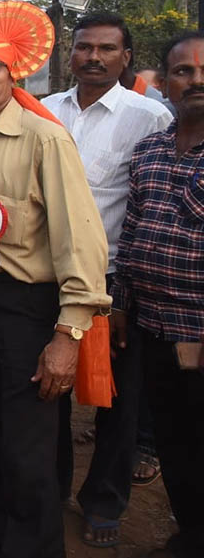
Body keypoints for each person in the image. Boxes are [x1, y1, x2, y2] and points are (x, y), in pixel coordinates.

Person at [0, 5, 110, 558]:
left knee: (27, 455)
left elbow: (79, 241)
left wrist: (67, 335)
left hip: (26, 313)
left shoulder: (44, 139)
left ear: (12, 71)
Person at [41, 12, 172, 548]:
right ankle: (50, 492)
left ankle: (104, 500)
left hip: (115, 281)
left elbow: (151, 201)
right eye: (83, 47)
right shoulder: (43, 112)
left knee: (117, 399)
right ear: (68, 55)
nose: (93, 57)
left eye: (106, 49)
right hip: (46, 276)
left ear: (126, 57)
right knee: (47, 390)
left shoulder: (151, 118)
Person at [113, 30, 204, 558]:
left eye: (203, 72)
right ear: (164, 82)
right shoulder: (149, 150)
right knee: (174, 442)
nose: (195, 81)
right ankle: (189, 535)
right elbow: (133, 232)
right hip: (154, 327)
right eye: (184, 72)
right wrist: (122, 304)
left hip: (200, 328)